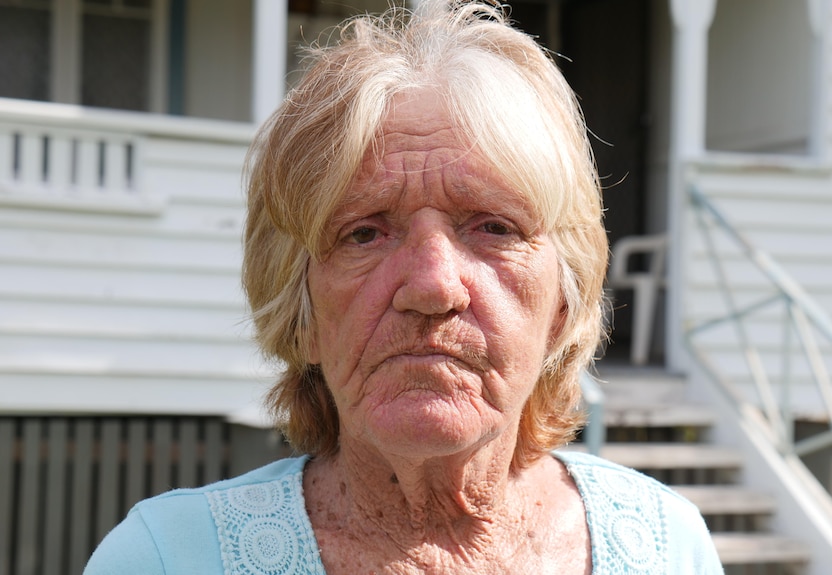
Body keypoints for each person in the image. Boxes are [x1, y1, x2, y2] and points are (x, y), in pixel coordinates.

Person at [85, 1, 723, 573]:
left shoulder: (668, 545)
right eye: (364, 234)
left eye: (494, 227)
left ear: (563, 302)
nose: (432, 286)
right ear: (299, 312)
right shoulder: (168, 557)